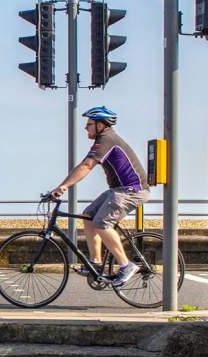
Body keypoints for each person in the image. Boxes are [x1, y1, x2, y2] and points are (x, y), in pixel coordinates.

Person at [50, 106, 150, 288]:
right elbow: (82, 164)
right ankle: (95, 263)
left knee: (102, 223)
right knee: (89, 215)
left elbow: (87, 166)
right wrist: (60, 185)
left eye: (89, 124)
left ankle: (126, 265)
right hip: (118, 189)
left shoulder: (107, 139)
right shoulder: (102, 140)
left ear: (101, 125)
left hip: (131, 190)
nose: (85, 128)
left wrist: (63, 187)